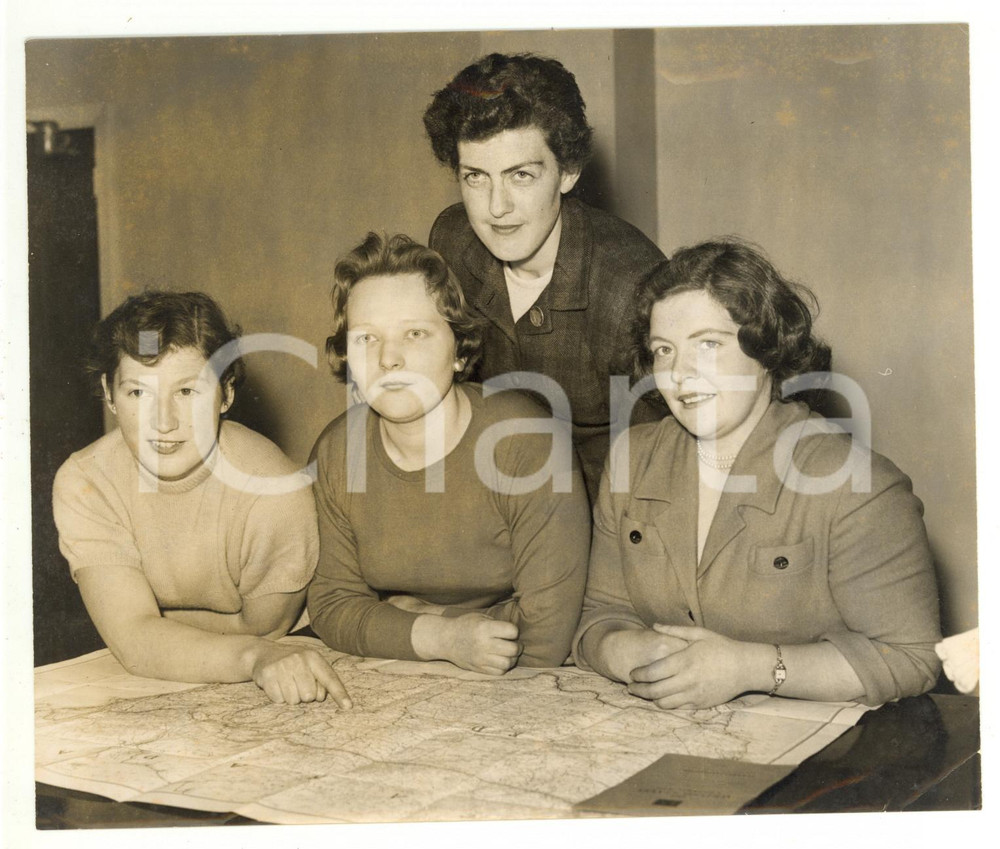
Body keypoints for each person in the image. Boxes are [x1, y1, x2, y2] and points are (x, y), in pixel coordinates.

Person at [572, 239, 942, 708]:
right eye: (663, 350)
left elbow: (911, 657)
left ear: (765, 350)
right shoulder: (633, 459)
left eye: (708, 344)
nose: (680, 373)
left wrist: (750, 668)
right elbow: (599, 615)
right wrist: (624, 649)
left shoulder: (856, 484)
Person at [307, 232, 590, 674]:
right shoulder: (337, 450)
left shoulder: (527, 442)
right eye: (366, 338)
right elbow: (332, 606)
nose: (389, 360)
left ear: (459, 351)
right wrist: (444, 637)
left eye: (415, 333)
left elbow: (547, 637)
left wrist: (416, 619)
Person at [52, 291, 351, 707]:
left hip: (294, 655)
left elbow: (264, 631)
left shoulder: (275, 491)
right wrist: (139, 630)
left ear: (226, 393)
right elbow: (133, 641)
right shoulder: (86, 481)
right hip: (220, 667)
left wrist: (150, 625)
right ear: (108, 393)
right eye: (138, 393)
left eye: (188, 392)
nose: (164, 422)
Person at [423, 52, 665, 501]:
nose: (497, 207)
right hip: (492, 495)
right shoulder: (452, 239)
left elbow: (671, 458)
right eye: (476, 177)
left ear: (568, 171)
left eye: (521, 176)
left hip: (611, 513)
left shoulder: (630, 283)